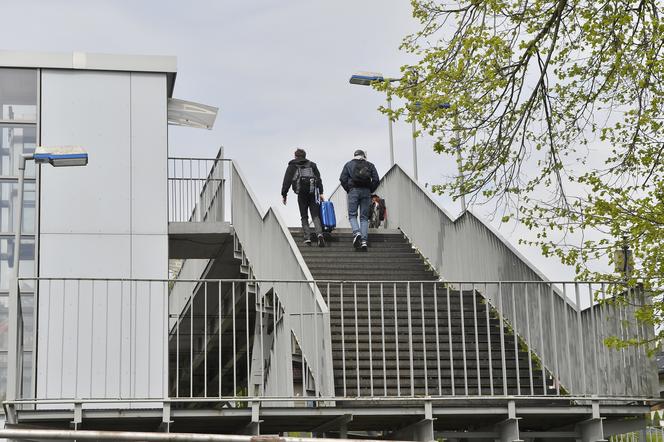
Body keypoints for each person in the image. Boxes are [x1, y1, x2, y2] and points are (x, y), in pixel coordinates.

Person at [281, 148, 326, 247]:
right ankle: (319, 234)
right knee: (315, 215)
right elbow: (318, 179)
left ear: (295, 156)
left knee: (304, 216)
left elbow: (287, 180)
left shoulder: (292, 166)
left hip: (301, 194)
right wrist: (321, 192)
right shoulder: (312, 165)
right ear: (305, 156)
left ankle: (307, 237)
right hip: (313, 193)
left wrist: (284, 194)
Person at [339, 149, 379, 251]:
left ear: (354, 155)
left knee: (352, 215)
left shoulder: (349, 164)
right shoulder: (370, 165)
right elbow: (376, 179)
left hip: (353, 191)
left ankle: (357, 233)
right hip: (366, 191)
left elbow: (342, 179)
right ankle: (364, 241)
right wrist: (370, 189)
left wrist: (349, 189)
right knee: (364, 218)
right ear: (363, 156)